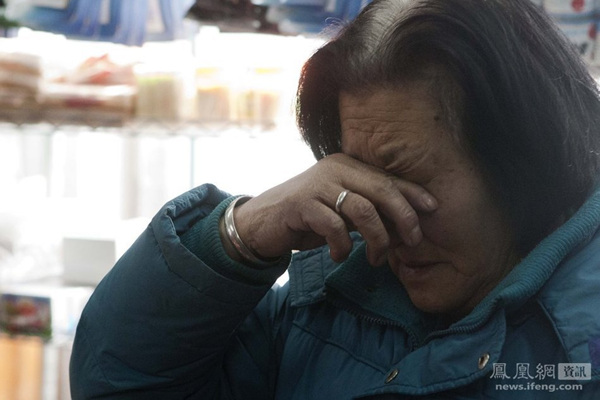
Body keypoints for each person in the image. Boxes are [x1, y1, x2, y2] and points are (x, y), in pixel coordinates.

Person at [70, 0, 600, 398]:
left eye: (408, 179)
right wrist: (238, 236)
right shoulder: (328, 300)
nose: (384, 217)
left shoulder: (579, 349)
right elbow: (120, 382)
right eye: (358, 174)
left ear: (522, 157)